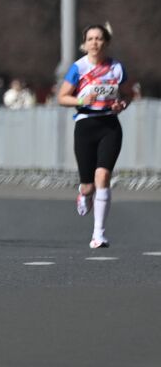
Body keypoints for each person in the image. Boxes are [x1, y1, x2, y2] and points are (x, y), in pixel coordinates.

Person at [58, 24, 136, 249]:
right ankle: (84, 193)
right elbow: (62, 97)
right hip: (85, 125)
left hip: (109, 125)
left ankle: (98, 234)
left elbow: (129, 93)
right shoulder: (78, 68)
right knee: (88, 185)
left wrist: (123, 103)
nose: (94, 43)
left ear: (106, 43)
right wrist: (82, 100)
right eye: (90, 39)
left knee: (103, 176)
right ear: (84, 44)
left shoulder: (117, 68)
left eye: (99, 38)